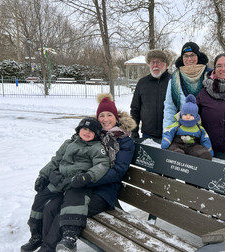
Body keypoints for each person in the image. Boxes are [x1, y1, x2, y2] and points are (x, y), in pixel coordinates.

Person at [33, 93, 137, 252]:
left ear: (117, 117)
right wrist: (51, 174)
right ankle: (45, 244)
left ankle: (47, 249)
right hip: (76, 187)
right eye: (101, 115)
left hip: (102, 191)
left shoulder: (124, 141)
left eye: (109, 115)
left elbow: (117, 172)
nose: (105, 119)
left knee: (63, 213)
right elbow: (67, 155)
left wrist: (85, 179)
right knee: (50, 207)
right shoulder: (91, 133)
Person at [21, 117, 110, 252]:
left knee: (74, 202)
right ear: (79, 130)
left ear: (96, 134)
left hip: (77, 182)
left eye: (91, 131)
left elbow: (102, 165)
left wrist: (88, 176)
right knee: (41, 199)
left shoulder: (96, 148)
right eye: (84, 129)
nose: (87, 132)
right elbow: (56, 161)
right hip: (60, 180)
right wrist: (43, 175)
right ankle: (36, 235)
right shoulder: (69, 143)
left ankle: (69, 235)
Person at [162, 42, 211, 129]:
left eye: (192, 55)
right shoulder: (175, 78)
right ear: (182, 58)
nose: (189, 59)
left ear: (198, 56)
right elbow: (170, 107)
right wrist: (168, 131)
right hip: (184, 129)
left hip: (208, 127)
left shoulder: (210, 75)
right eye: (186, 56)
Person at [130, 49, 174, 140]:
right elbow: (135, 109)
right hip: (148, 134)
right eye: (152, 62)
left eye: (158, 62)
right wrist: (134, 131)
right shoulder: (142, 83)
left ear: (166, 65)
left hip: (170, 133)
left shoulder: (173, 81)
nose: (155, 65)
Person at [162, 94, 213, 160]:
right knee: (175, 150)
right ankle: (177, 157)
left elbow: (205, 139)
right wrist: (166, 141)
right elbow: (168, 131)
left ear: (195, 116)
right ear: (181, 114)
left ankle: (202, 157)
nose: (188, 117)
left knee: (202, 152)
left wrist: (209, 150)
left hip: (193, 146)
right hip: (178, 145)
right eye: (185, 114)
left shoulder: (199, 128)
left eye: (191, 115)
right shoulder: (177, 125)